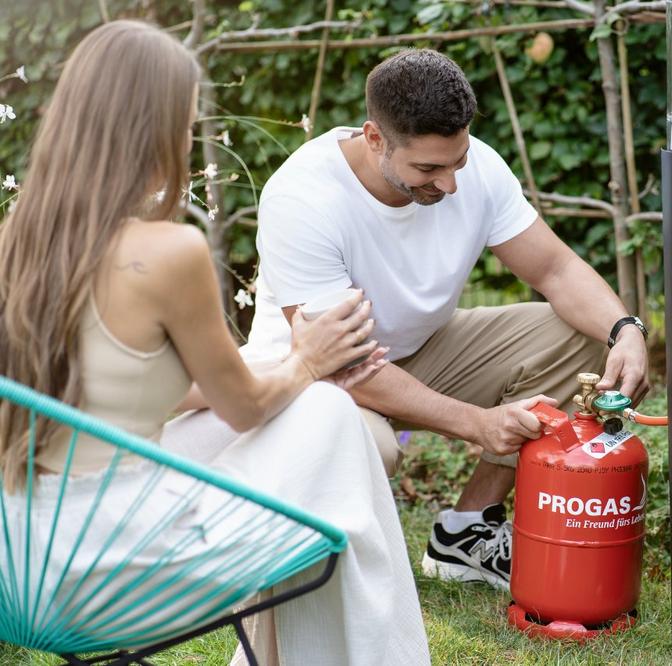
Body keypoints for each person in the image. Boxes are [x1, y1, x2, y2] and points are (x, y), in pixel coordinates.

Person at [0, 20, 429, 666]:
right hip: (112, 577)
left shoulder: (17, 243)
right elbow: (246, 408)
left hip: (24, 566)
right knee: (331, 416)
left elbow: (121, 389)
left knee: (304, 405)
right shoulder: (169, 253)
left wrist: (288, 367)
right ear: (157, 131)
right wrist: (309, 361)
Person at [242, 49, 651, 590]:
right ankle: (299, 564)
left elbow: (554, 269)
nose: (450, 183)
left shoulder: (474, 167)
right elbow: (344, 364)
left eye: (456, 161)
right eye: (428, 169)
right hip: (312, 378)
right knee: (369, 448)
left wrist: (626, 331)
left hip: (422, 351)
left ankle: (465, 532)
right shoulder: (303, 197)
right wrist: (478, 423)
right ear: (374, 138)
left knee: (582, 338)